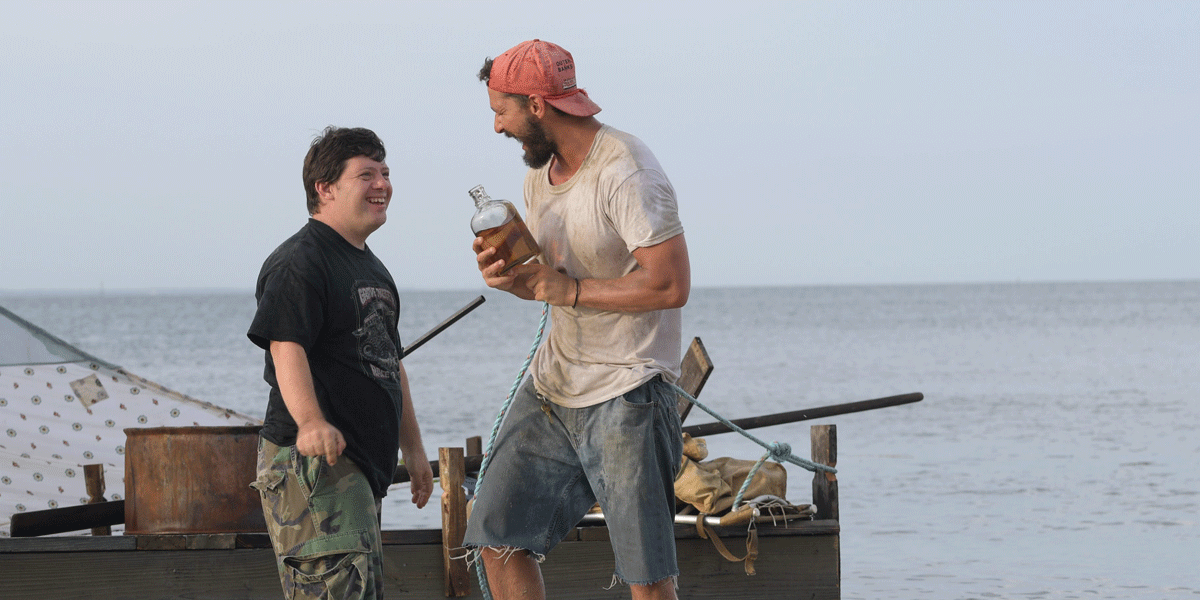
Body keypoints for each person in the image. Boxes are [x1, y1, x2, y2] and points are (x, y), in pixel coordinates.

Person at [463, 40, 691, 600]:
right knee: (495, 535)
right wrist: (519, 280)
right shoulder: (537, 179)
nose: (496, 127)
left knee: (647, 577)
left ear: (538, 105)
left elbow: (670, 284)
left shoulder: (627, 170)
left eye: (501, 111)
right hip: (554, 386)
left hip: (627, 391)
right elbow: (555, 283)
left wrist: (569, 289)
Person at [247, 126, 434, 600]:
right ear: (325, 188)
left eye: (386, 173)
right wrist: (311, 421)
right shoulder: (301, 261)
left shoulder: (371, 266)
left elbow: (390, 363)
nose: (382, 184)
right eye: (366, 174)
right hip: (313, 465)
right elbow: (284, 345)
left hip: (358, 469)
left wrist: (413, 452)